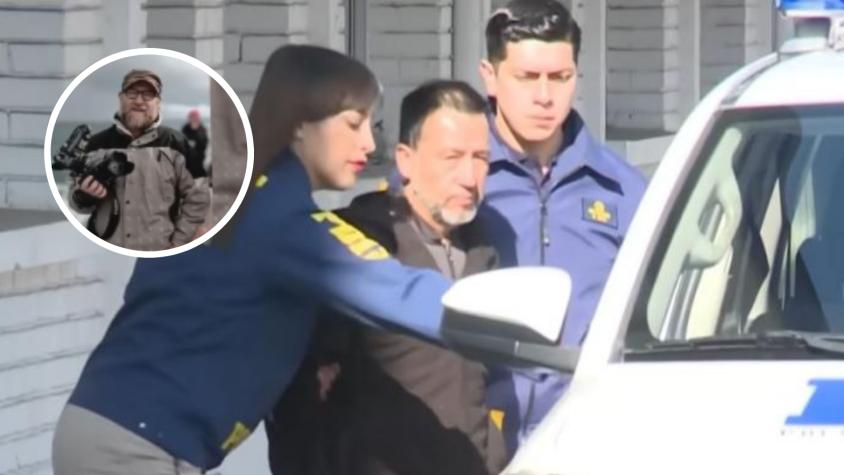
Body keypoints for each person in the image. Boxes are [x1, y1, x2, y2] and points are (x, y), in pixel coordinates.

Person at [52, 45, 456, 475]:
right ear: (301, 122)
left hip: (112, 428)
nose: (369, 143)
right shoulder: (279, 220)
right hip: (136, 447)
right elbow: (400, 293)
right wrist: (497, 314)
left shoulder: (224, 197)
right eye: (354, 124)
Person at [266, 80, 508, 475]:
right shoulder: (352, 248)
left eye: (481, 157)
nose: (469, 176)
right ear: (405, 160)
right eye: (452, 157)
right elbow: (298, 399)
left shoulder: (485, 246)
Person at [477, 0, 647, 455]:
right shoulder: (458, 180)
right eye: (526, 77)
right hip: (474, 440)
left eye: (560, 77)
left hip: (588, 440)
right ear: (490, 76)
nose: (545, 96)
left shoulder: (624, 190)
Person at [68, 69, 210, 251]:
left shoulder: (177, 143)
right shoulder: (96, 143)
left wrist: (178, 243)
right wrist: (84, 196)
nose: (139, 101)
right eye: (132, 93)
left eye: (148, 95)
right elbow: (75, 201)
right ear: (120, 98)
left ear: (158, 103)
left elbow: (198, 197)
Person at [181, 108, 210, 179]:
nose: (193, 120)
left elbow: (206, 148)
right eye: (191, 118)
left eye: (195, 119)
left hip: (200, 164)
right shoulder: (185, 130)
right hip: (187, 164)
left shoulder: (203, 131)